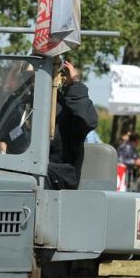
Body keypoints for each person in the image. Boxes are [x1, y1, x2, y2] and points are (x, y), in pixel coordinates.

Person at [47, 60, 99, 190]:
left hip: (60, 179)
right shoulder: (29, 107)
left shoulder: (69, 110)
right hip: (27, 170)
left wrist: (75, 83)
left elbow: (89, 120)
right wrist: (10, 85)